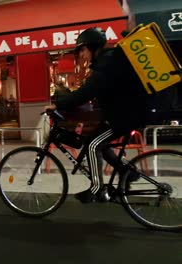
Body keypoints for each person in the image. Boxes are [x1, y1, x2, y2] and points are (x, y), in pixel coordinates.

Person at [44, 28, 147, 203]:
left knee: (93, 145)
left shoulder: (107, 63)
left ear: (92, 47)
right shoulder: (107, 61)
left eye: (82, 50)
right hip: (123, 114)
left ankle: (97, 188)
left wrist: (58, 104)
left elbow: (87, 92)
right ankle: (127, 172)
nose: (81, 55)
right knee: (99, 143)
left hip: (126, 116)